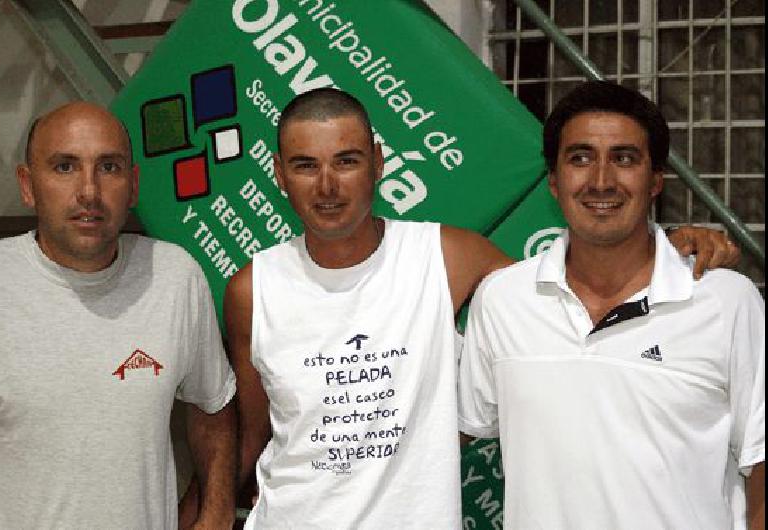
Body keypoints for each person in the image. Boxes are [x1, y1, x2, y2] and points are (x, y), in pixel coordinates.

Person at [220, 87, 741, 528]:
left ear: (378, 164)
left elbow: (575, 285)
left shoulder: (448, 257)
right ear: (279, 174)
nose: (328, 186)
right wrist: (203, 514)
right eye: (306, 166)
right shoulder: (252, 290)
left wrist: (668, 249)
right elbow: (248, 435)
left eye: (347, 161)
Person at [458, 81, 764, 529]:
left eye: (624, 158)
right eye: (580, 158)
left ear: (656, 180)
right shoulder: (503, 300)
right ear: (554, 181)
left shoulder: (725, 301)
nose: (601, 180)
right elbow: (455, 436)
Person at [0, 102, 237, 529]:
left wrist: (217, 514)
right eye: (64, 167)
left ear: (132, 185)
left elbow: (213, 407)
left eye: (108, 167)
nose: (89, 191)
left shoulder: (174, 276)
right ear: (27, 184)